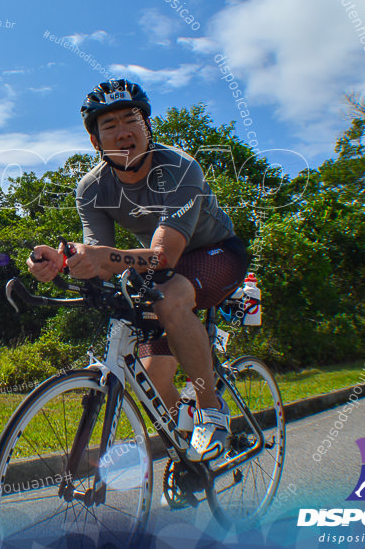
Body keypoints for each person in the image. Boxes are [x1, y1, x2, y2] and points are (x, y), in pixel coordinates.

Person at [26, 79, 249, 462]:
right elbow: (99, 256)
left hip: (214, 251)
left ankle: (213, 412)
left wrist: (102, 257)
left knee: (172, 297)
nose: (124, 132)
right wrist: (65, 262)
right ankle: (192, 455)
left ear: (148, 126)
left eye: (132, 120)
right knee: (154, 376)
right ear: (96, 142)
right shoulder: (91, 188)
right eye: (109, 126)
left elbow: (163, 255)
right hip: (154, 265)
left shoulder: (181, 168)